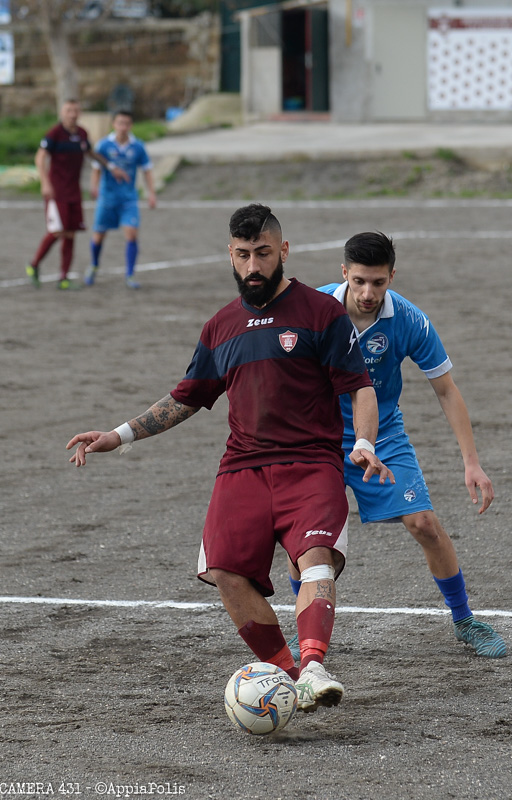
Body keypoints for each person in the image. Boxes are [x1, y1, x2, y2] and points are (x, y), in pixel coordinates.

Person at [66, 204, 394, 713]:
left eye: (263, 253)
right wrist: (120, 435)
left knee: (315, 561)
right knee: (224, 572)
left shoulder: (320, 312)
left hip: (311, 464)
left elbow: (360, 387)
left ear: (283, 251)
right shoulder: (221, 325)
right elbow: (187, 396)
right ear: (231, 255)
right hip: (242, 467)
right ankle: (290, 678)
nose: (253, 266)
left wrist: (365, 445)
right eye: (243, 255)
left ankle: (313, 664)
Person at [288, 231, 506, 659]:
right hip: (320, 440)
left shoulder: (409, 319)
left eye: (379, 283)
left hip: (383, 435)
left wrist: (472, 463)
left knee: (424, 523)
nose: (368, 293)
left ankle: (464, 620)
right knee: (309, 545)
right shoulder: (312, 311)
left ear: (392, 276)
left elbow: (446, 389)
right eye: (360, 282)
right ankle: (305, 631)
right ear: (344, 273)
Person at [25, 99, 129, 290]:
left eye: (75, 110)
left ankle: (63, 277)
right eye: (68, 110)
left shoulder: (82, 133)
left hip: (74, 191)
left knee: (71, 233)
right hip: (56, 192)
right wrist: (45, 183)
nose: (72, 114)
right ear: (62, 112)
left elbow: (91, 153)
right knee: (57, 231)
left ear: (79, 112)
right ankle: (33, 265)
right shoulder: (54, 134)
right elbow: (40, 158)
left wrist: (112, 167)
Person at [84, 109, 157, 290]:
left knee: (131, 234)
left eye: (126, 123)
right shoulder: (103, 146)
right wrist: (94, 187)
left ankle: (130, 274)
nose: (123, 127)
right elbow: (96, 168)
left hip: (128, 199)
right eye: (119, 123)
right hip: (107, 197)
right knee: (99, 235)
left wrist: (151, 193)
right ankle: (94, 265)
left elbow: (147, 170)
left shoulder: (138, 146)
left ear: (130, 125)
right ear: (113, 124)